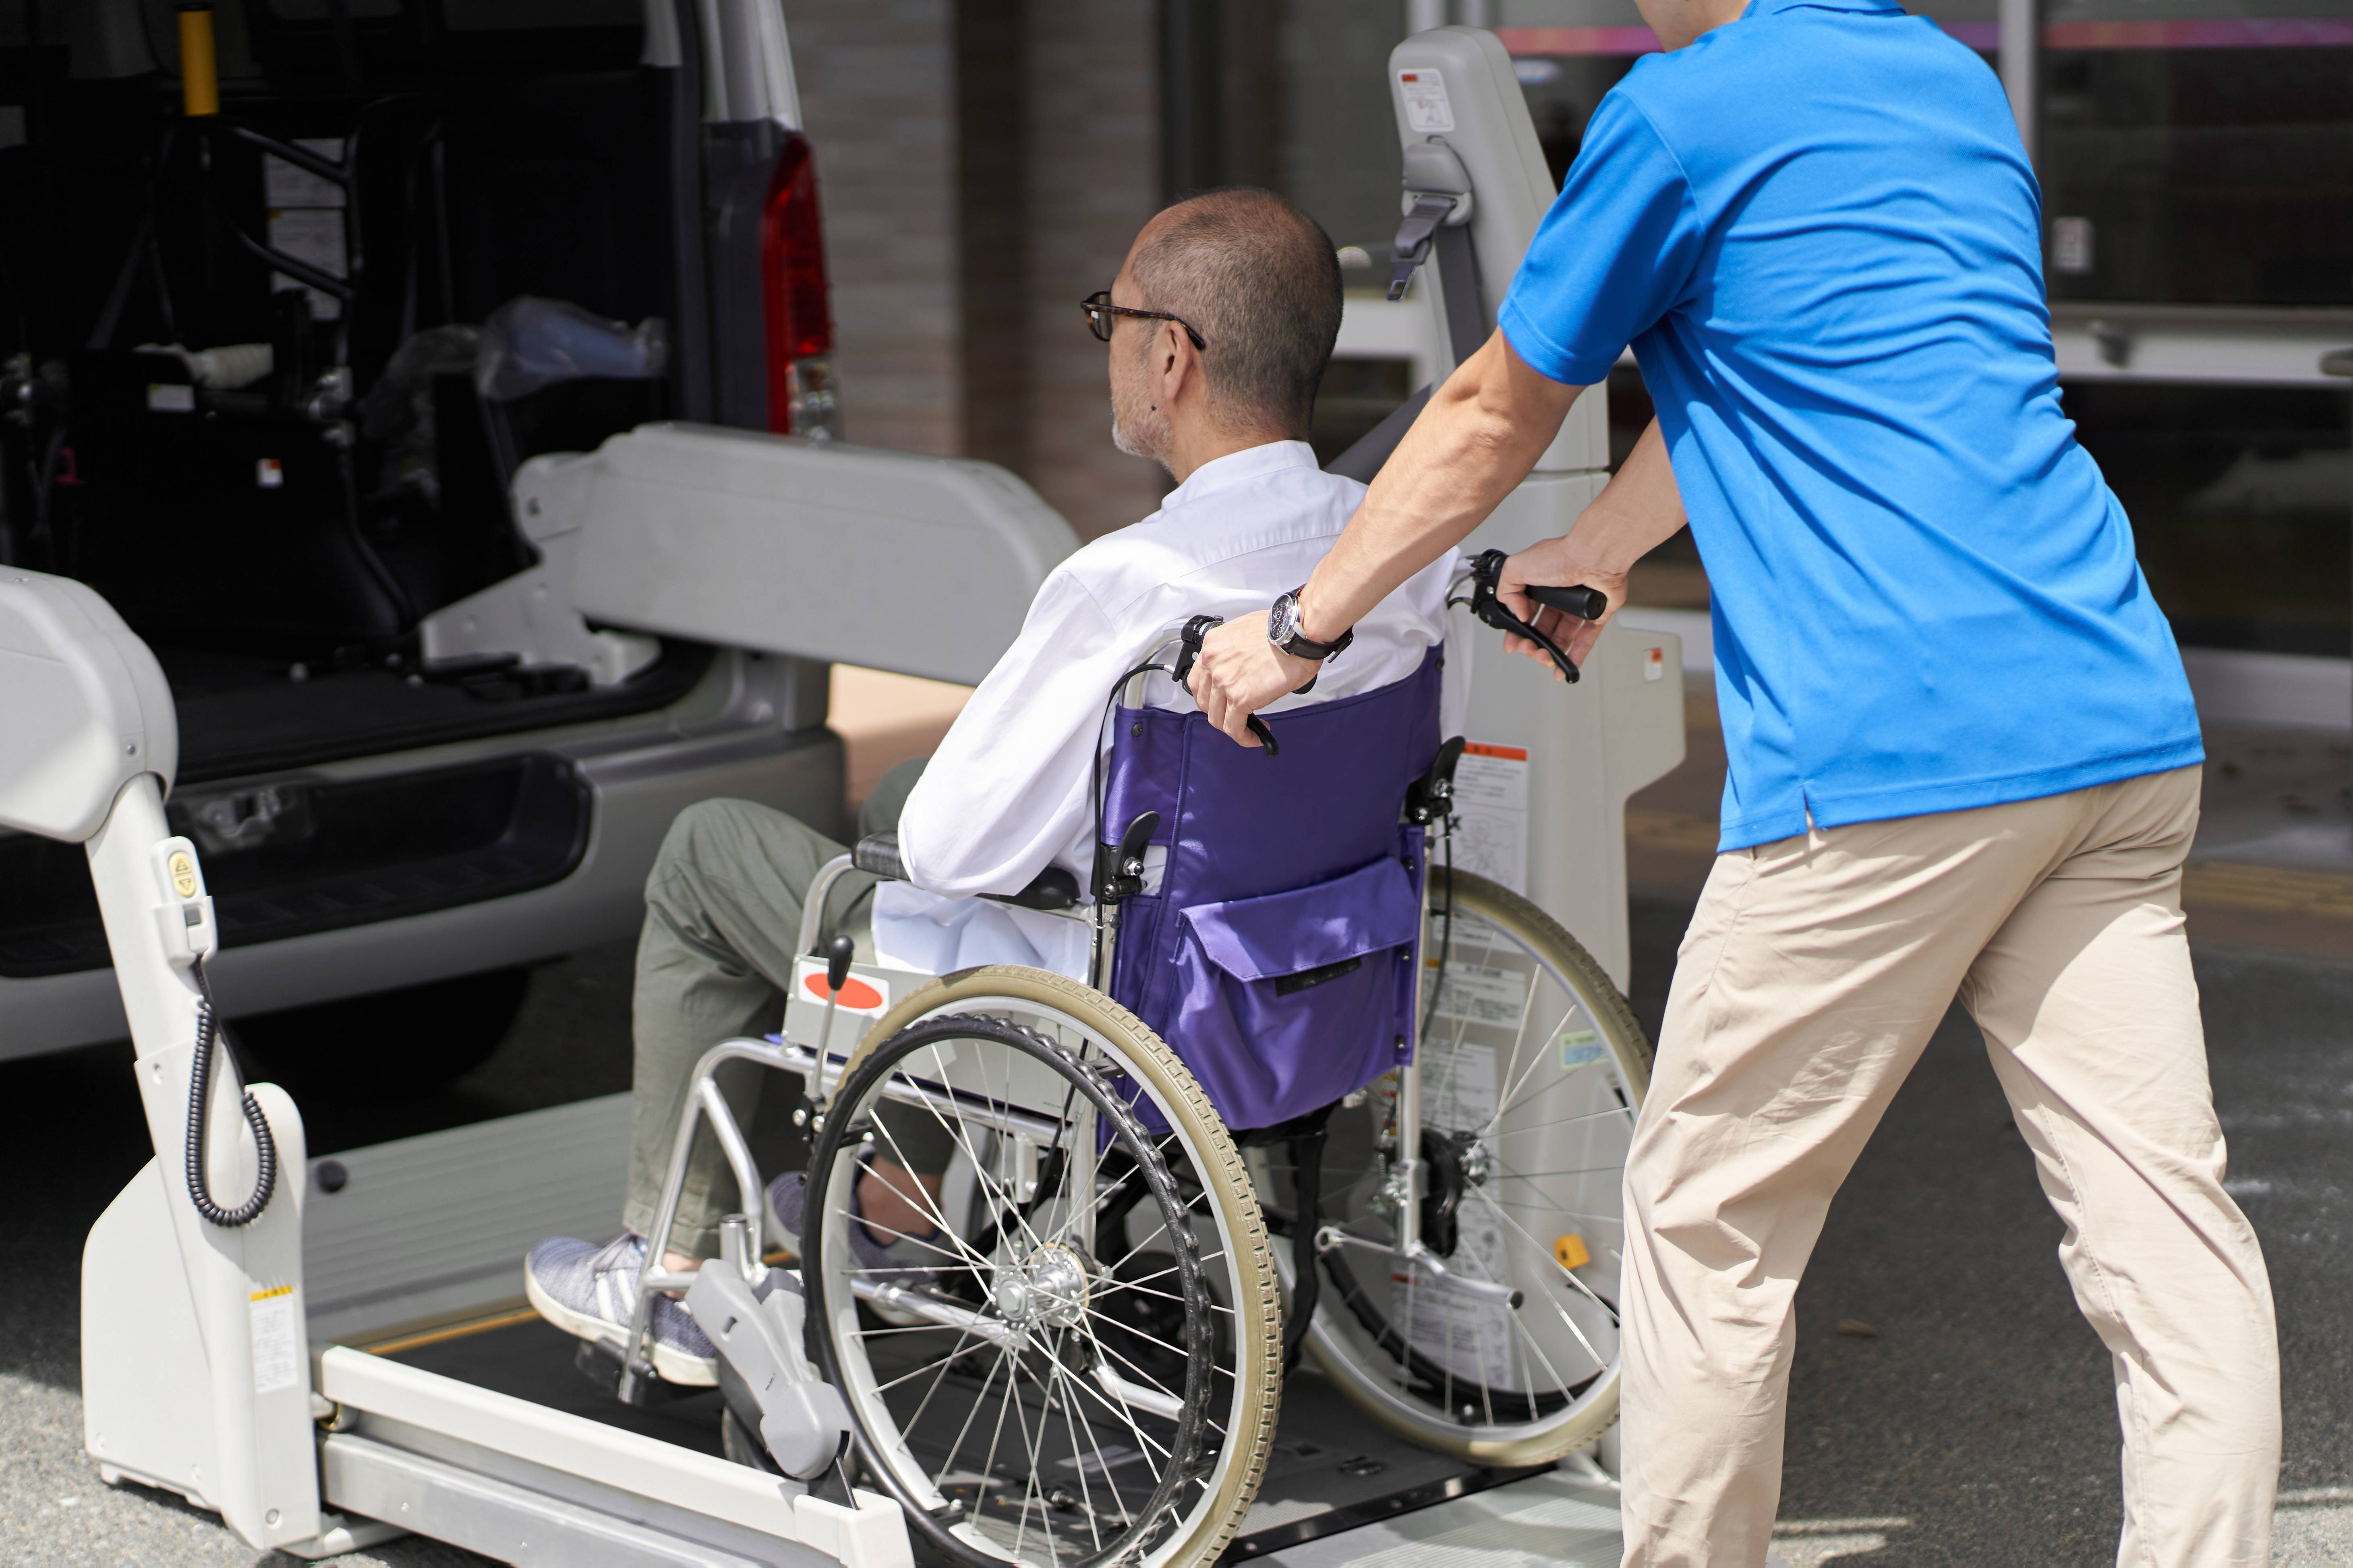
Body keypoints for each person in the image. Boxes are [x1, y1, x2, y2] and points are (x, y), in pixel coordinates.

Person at [1187, 4, 2281, 1565]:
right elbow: (1819, 368)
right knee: (2168, 1239)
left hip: (1891, 750)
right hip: (2109, 713)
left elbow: (1498, 406)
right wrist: (1598, 553)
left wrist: (1301, 624)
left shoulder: (1680, 113)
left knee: (1707, 1218)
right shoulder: (1948, 81)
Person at [523, 186, 1469, 1385]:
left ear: (1169, 356)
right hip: (1295, 960)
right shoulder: (1384, 548)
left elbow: (951, 855)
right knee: (905, 795)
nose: (1108, 347)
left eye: (1109, 320)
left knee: (713, 851)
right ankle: (897, 1212)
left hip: (1108, 1006)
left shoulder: (1126, 581)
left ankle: (654, 1282)